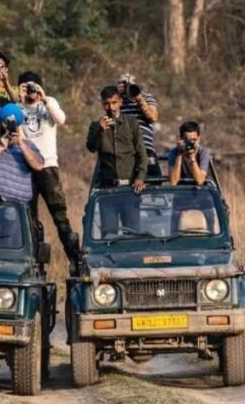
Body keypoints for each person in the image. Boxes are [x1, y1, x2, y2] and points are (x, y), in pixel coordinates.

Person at [17, 71, 80, 267]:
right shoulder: (17, 108)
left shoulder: (48, 102)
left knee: (59, 215)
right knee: (29, 218)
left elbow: (61, 120)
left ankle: (75, 259)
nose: (31, 91)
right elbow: (15, 132)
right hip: (25, 167)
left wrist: (44, 99)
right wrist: (19, 101)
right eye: (26, 87)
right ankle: (36, 263)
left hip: (48, 167)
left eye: (34, 86)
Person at [86, 85, 148, 236]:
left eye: (114, 103)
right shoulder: (96, 126)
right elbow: (91, 147)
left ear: (120, 102)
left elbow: (141, 153)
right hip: (108, 190)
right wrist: (100, 130)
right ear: (102, 104)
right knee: (108, 234)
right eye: (107, 103)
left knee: (133, 234)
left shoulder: (131, 122)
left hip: (130, 189)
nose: (111, 107)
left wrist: (140, 177)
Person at [0, 103, 44, 202]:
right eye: (6, 123)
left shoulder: (28, 145)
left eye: (13, 125)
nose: (9, 128)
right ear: (1, 124)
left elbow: (38, 165)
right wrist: (0, 147)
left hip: (16, 208)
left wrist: (21, 144)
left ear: (19, 125)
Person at [116, 73, 161, 176]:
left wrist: (140, 100)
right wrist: (118, 95)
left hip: (145, 148)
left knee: (154, 180)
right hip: (126, 149)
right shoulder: (117, 101)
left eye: (130, 85)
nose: (128, 88)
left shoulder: (146, 97)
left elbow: (153, 117)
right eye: (123, 84)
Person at [168, 121, 213, 186]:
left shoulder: (203, 153)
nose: (191, 143)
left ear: (199, 139)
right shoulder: (174, 153)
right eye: (187, 140)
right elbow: (173, 182)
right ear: (181, 140)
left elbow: (200, 181)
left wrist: (192, 158)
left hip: (202, 191)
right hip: (182, 191)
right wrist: (180, 155)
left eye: (194, 140)